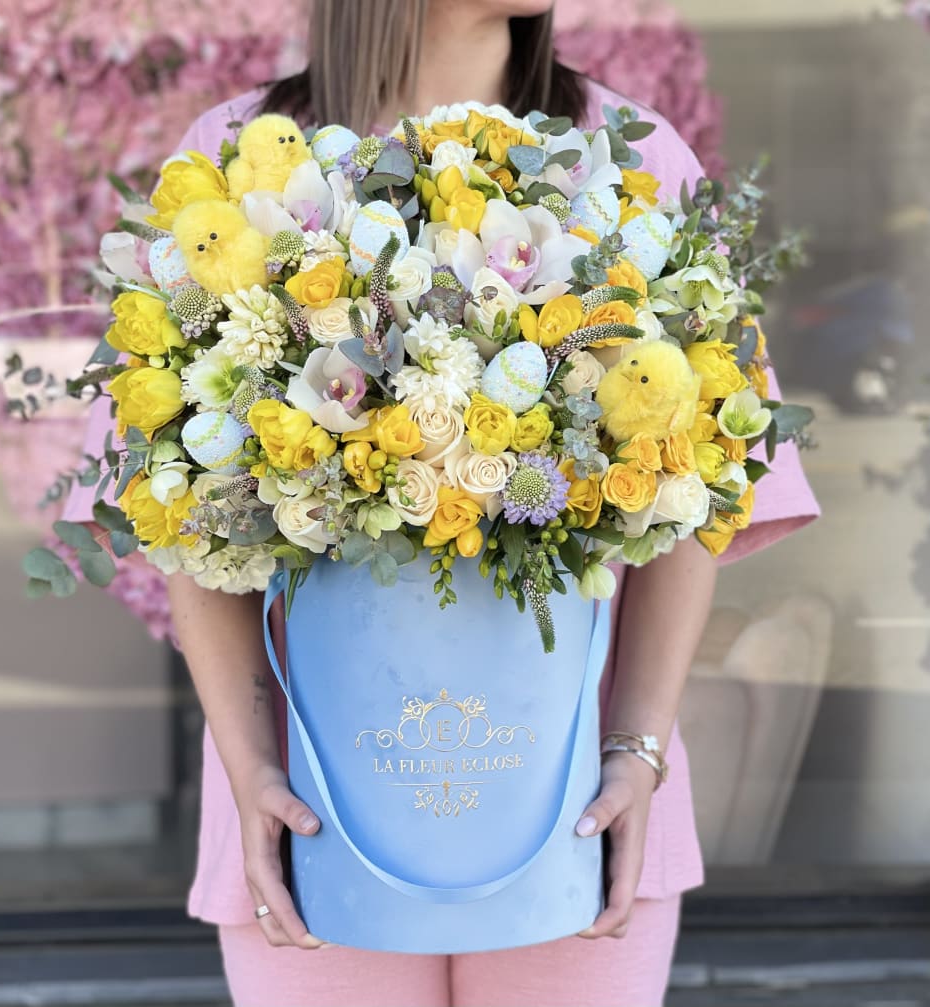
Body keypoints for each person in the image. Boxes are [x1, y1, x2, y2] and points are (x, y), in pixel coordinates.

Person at [63, 2, 820, 1003]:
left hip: (577, 798)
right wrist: (248, 764)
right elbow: (179, 503)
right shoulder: (234, 161)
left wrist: (635, 748)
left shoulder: (628, 157)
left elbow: (698, 488)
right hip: (312, 800)